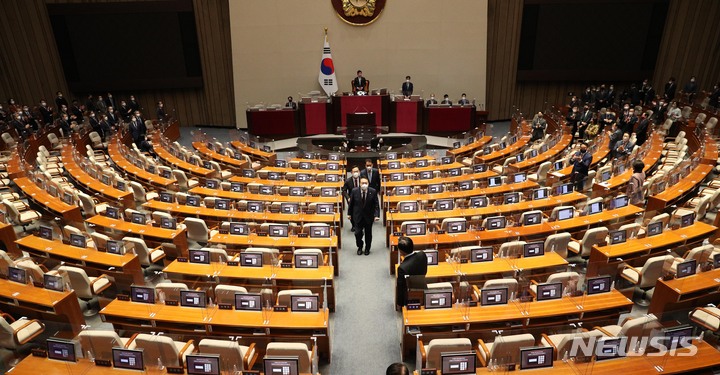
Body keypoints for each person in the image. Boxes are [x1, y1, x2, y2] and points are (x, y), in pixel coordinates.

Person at [347, 177, 380, 256]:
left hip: (369, 217)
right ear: (359, 184)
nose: (364, 185)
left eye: (366, 183)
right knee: (357, 233)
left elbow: (376, 205)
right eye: (362, 183)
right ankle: (360, 246)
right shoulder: (354, 191)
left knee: (368, 234)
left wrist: (376, 215)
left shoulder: (373, 191)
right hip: (357, 216)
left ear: (368, 184)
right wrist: (349, 214)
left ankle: (367, 248)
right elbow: (351, 204)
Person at [395, 236, 427, 308]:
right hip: (423, 284)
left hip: (411, 291)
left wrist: (399, 304)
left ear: (401, 252)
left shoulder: (402, 268)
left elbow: (401, 288)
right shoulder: (422, 254)